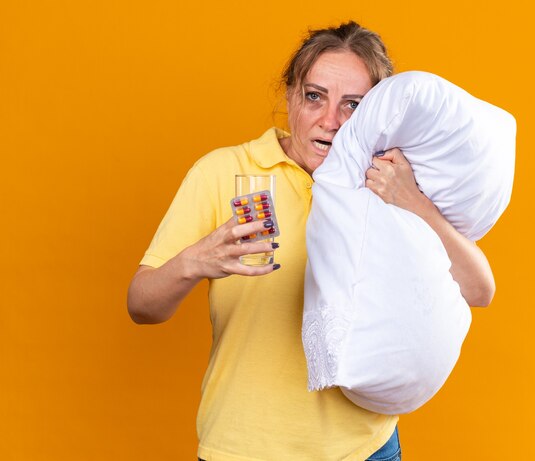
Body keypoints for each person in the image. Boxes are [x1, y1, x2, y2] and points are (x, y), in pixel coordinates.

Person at [127, 21, 495, 461]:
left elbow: (480, 291)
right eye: (314, 96)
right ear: (289, 96)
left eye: (353, 105)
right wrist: (194, 261)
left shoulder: (386, 179)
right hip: (244, 446)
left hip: (364, 448)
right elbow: (141, 305)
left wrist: (414, 202)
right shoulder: (222, 173)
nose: (330, 120)